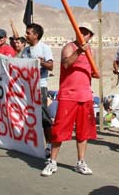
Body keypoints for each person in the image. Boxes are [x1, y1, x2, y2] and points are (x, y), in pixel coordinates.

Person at [41, 22, 95, 177]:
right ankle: (52, 162)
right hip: (68, 96)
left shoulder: (91, 51)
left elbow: (91, 70)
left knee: (83, 132)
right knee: (59, 130)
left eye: (86, 33)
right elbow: (66, 64)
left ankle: (81, 162)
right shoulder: (69, 47)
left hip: (85, 96)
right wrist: (79, 51)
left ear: (90, 36)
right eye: (81, 31)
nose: (83, 35)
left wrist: (94, 73)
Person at [22, 23, 54, 158]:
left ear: (36, 35)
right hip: (28, 87)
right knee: (29, 116)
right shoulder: (25, 51)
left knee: (44, 118)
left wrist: (40, 63)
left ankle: (50, 145)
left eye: (28, 33)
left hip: (40, 86)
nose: (26, 35)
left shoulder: (44, 48)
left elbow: (51, 66)